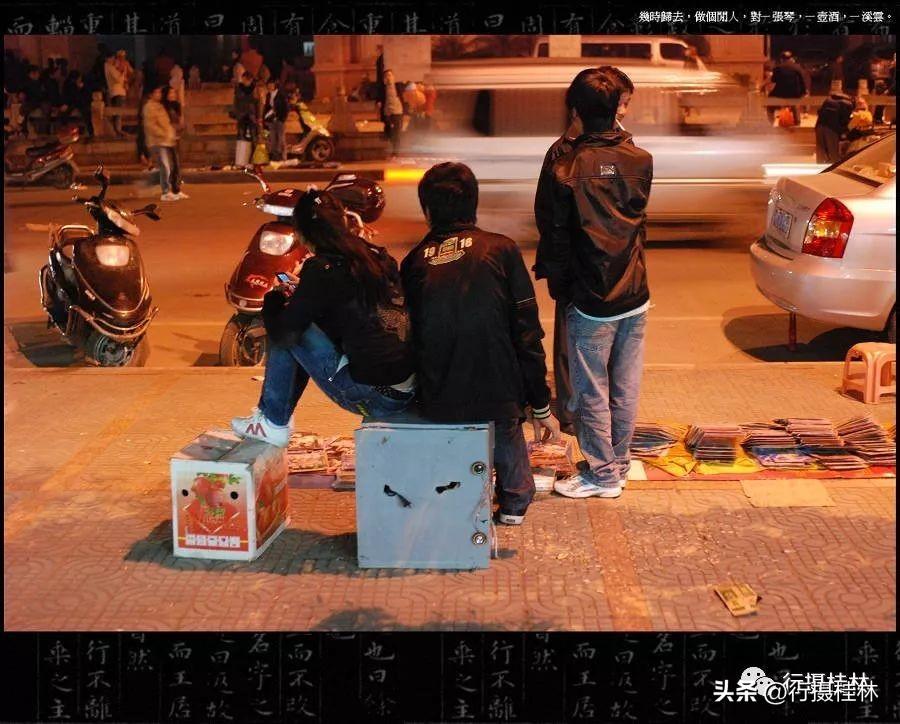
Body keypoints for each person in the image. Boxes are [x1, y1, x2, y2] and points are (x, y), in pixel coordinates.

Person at [401, 162, 561, 526]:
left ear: (427, 210)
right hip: (499, 397)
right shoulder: (501, 250)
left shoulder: (414, 262)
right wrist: (540, 404)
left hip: (439, 400)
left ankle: (462, 496)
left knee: (457, 454)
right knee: (504, 422)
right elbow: (527, 334)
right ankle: (514, 500)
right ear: (473, 203)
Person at [541, 69, 653, 500]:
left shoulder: (565, 166)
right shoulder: (640, 159)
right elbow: (636, 224)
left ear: (576, 109)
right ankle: (617, 465)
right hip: (635, 291)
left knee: (591, 389)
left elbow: (554, 234)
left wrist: (560, 285)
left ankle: (602, 475)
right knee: (624, 386)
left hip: (591, 297)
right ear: (616, 107)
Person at [231, 190, 416, 447]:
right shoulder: (372, 254)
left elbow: (284, 335)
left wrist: (274, 298)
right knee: (298, 318)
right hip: (405, 387)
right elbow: (352, 304)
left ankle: (273, 420)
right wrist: (305, 291)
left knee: (289, 326)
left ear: (303, 234)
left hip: (374, 397)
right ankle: (275, 418)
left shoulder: (323, 268)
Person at [534, 66, 634, 436]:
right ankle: (574, 414)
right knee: (572, 347)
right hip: (578, 271)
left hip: (614, 270)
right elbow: (548, 218)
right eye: (620, 103)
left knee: (609, 352)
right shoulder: (562, 155)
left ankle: (597, 413)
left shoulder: (626, 150)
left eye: (624, 103)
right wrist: (559, 272)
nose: (623, 111)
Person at [143, 85, 185, 201]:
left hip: (165, 141)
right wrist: (164, 134)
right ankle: (165, 192)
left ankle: (168, 189)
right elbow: (151, 126)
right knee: (165, 166)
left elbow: (166, 124)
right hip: (156, 141)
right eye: (157, 92)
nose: (159, 94)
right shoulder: (149, 107)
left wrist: (170, 134)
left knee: (169, 166)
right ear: (151, 94)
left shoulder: (160, 106)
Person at [814, 88, 852, 163]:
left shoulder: (828, 99)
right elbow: (844, 120)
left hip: (819, 125)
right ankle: (833, 167)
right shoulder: (848, 104)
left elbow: (819, 111)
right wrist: (844, 131)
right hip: (832, 128)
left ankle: (820, 166)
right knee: (833, 151)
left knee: (821, 151)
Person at [768, 51, 807, 124]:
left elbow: (773, 80)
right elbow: (802, 81)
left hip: (780, 93)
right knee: (795, 105)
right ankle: (797, 121)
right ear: (791, 58)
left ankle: (770, 121)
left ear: (781, 59)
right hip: (795, 93)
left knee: (769, 104)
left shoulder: (778, 68)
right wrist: (803, 92)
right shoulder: (798, 67)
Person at [163, 86, 188, 198]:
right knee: (171, 164)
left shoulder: (176, 106)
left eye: (173, 93)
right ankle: (170, 188)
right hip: (166, 138)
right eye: (170, 93)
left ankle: (176, 188)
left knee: (177, 164)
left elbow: (180, 122)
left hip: (175, 137)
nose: (172, 95)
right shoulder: (163, 107)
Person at [233, 71, 257, 167]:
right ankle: (242, 159)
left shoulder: (254, 89)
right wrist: (236, 113)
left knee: (253, 137)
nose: (244, 81)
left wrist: (258, 116)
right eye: (243, 79)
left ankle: (253, 159)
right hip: (242, 116)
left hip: (251, 116)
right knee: (241, 136)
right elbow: (236, 102)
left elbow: (258, 102)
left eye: (246, 80)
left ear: (250, 80)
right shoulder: (239, 88)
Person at [379, 70, 404, 157]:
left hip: (397, 111)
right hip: (387, 112)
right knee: (388, 131)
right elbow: (379, 98)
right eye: (386, 75)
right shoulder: (382, 88)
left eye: (390, 75)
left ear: (393, 77)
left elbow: (403, 97)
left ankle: (396, 151)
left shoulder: (398, 86)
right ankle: (391, 146)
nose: (388, 77)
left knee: (397, 131)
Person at [61, 70, 94, 137]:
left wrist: (82, 88)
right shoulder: (68, 84)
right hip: (71, 102)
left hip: (80, 102)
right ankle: (64, 130)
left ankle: (91, 132)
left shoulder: (82, 84)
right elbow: (69, 96)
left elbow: (85, 95)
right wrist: (66, 104)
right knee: (64, 113)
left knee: (86, 112)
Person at [263, 78, 289, 162]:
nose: (270, 86)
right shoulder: (268, 95)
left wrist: (282, 118)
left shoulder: (281, 95)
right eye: (268, 85)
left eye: (271, 85)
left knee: (281, 138)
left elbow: (286, 107)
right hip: (271, 120)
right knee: (272, 138)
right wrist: (265, 118)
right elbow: (266, 107)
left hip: (279, 119)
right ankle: (275, 156)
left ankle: (283, 156)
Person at [104, 51, 127, 137]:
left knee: (117, 113)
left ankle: (117, 131)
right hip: (117, 92)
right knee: (118, 113)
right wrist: (122, 71)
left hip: (115, 92)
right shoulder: (110, 67)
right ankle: (118, 131)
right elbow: (119, 79)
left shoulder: (110, 66)